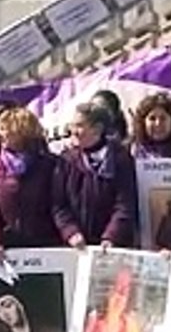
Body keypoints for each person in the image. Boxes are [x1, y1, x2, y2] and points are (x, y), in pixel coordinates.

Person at [52, 102, 139, 250]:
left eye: (79, 125)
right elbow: (58, 204)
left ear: (97, 128)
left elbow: (125, 203)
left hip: (113, 247)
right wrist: (71, 232)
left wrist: (112, 236)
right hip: (77, 247)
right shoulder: (66, 160)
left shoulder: (120, 159)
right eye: (72, 126)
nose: (73, 131)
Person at [0, 107, 62, 256]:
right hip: (8, 246)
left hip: (47, 245)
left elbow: (59, 205)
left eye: (4, 129)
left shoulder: (50, 164)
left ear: (20, 132)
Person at [131, 93, 171, 159]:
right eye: (152, 118)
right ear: (143, 123)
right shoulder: (130, 153)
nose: (158, 123)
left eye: (163, 118)